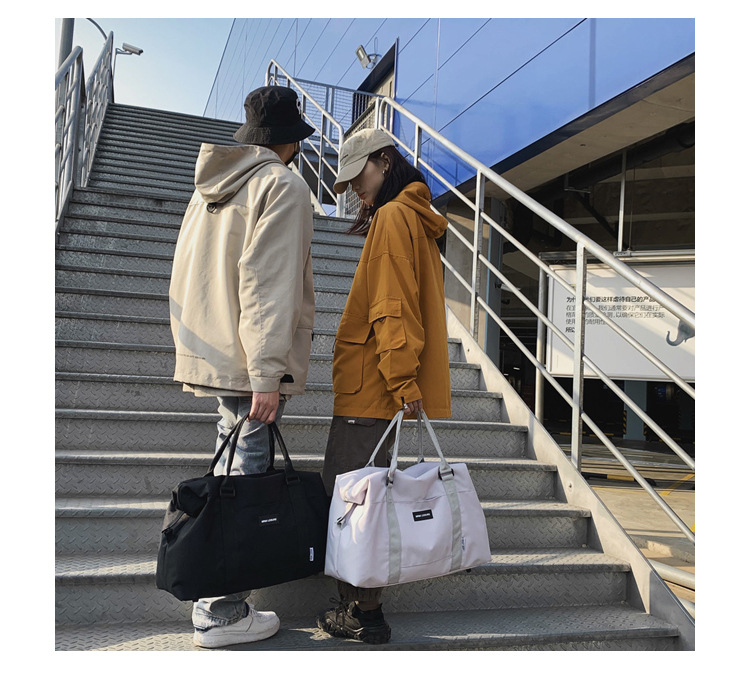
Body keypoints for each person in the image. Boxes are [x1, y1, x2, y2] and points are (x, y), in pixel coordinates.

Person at [168, 85, 316, 649]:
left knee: (233, 466)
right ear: (291, 141)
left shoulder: (215, 185)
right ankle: (221, 611)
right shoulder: (282, 185)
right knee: (246, 472)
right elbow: (267, 283)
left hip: (218, 344)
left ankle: (217, 598)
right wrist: (266, 373)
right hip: (251, 352)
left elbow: (190, 268)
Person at [316, 128, 452, 644]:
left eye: (360, 175)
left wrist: (401, 379)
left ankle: (362, 613)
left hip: (371, 388)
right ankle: (363, 609)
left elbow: (392, 308)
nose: (355, 189)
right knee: (367, 498)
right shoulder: (412, 217)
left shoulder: (394, 217)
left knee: (355, 503)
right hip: (379, 387)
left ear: (386, 161)